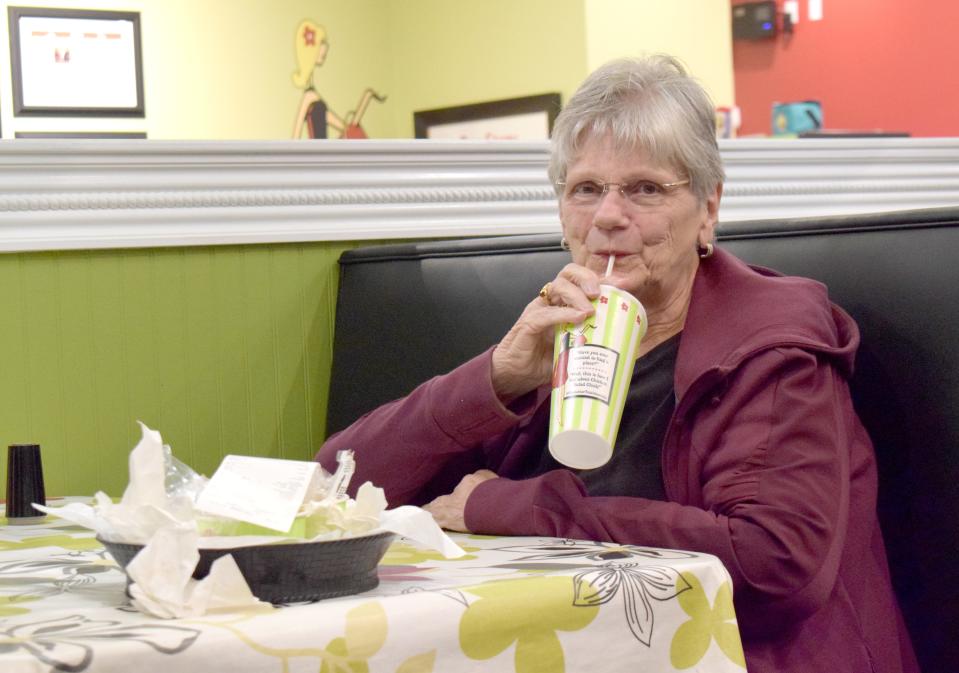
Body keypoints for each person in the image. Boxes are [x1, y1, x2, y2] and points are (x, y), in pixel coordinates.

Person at [317, 55, 918, 673]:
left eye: (645, 189)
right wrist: (496, 378)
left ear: (707, 209)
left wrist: (509, 508)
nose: (607, 215)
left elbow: (773, 566)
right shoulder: (557, 333)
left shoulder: (770, 346)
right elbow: (334, 484)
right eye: (585, 189)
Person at [291, 20, 385, 139]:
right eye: (321, 43)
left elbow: (340, 125)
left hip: (324, 152)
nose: (325, 47)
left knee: (354, 133)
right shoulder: (308, 97)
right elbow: (295, 138)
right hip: (317, 154)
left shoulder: (315, 99)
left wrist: (351, 128)